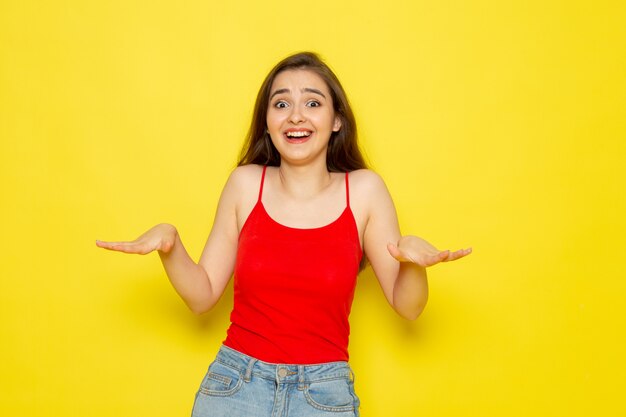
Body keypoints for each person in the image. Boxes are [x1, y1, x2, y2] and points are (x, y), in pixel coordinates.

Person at [96, 51, 471, 417]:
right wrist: (170, 245)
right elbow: (202, 296)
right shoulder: (245, 185)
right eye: (281, 104)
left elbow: (408, 307)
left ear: (336, 119)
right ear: (267, 122)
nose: (295, 116)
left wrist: (413, 262)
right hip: (235, 388)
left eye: (312, 103)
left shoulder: (364, 192)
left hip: (325, 394)